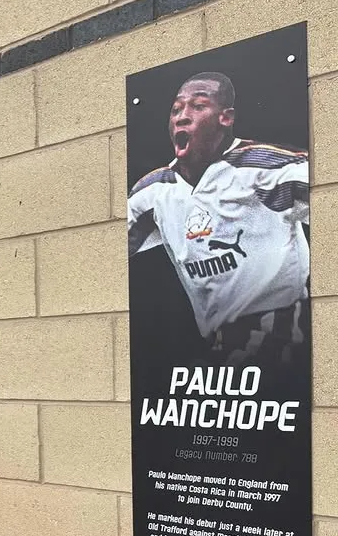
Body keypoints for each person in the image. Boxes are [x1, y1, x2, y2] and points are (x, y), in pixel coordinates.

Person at [128, 71, 309, 365]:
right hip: (217, 338)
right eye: (176, 109)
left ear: (225, 118)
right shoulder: (154, 192)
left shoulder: (266, 169)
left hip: (280, 328)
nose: (181, 117)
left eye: (197, 106)